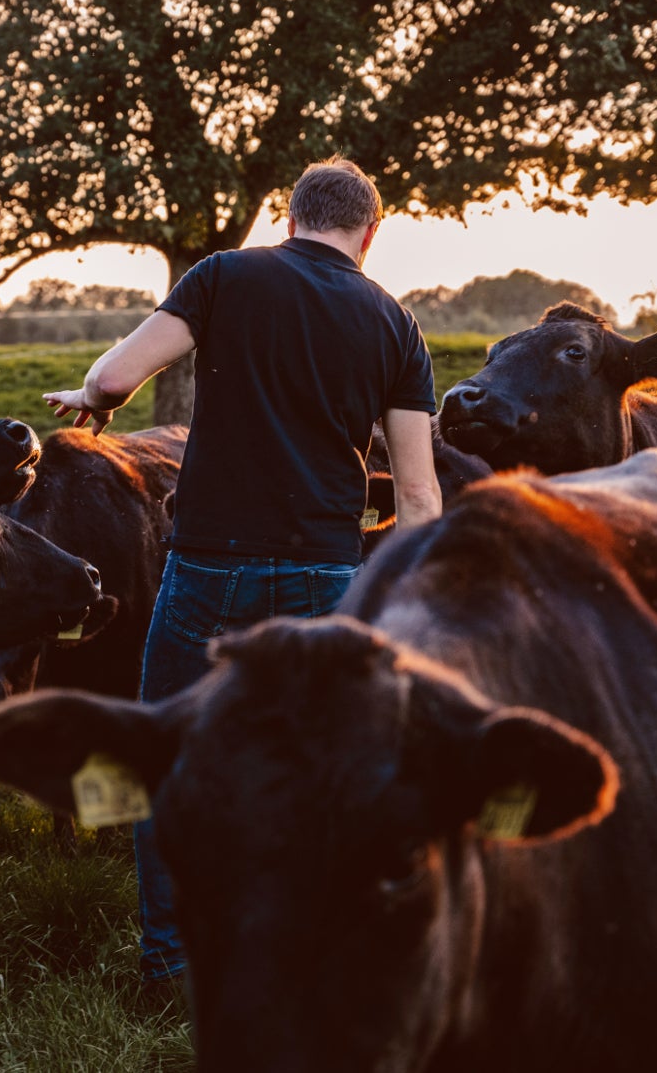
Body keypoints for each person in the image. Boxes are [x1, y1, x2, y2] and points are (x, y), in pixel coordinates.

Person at [42, 157, 443, 984]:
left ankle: (173, 961)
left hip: (208, 570)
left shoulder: (226, 275)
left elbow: (116, 375)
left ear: (289, 218)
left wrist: (95, 396)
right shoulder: (395, 322)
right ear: (369, 234)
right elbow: (417, 490)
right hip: (328, 577)